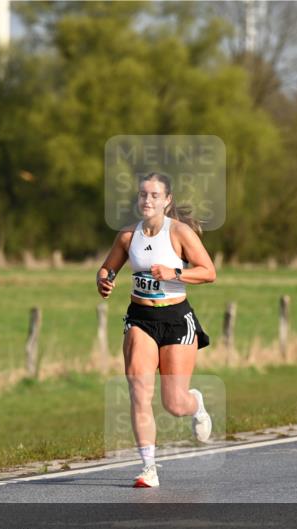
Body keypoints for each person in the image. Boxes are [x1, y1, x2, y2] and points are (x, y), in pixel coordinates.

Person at [96, 172, 217, 488]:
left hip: (177, 320)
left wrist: (174, 273)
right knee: (139, 390)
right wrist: (104, 279)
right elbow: (108, 267)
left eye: (153, 195)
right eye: (142, 195)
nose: (146, 200)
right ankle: (149, 467)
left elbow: (209, 272)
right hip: (140, 319)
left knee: (174, 404)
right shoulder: (127, 236)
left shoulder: (179, 232)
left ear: (167, 200)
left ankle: (196, 404)